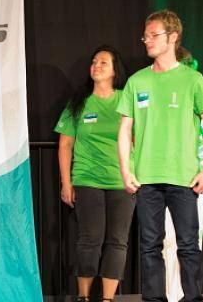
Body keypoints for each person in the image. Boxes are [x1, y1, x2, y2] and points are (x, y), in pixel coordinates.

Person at [117, 10, 203, 302]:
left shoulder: (193, 80)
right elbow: (125, 128)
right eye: (145, 36)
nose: (147, 41)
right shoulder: (137, 81)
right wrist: (125, 169)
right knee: (150, 246)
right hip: (146, 177)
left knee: (188, 245)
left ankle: (192, 298)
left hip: (184, 176)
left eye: (154, 35)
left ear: (173, 37)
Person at [56, 45, 133, 302]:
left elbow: (138, 138)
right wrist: (66, 183)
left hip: (122, 180)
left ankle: (108, 299)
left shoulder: (126, 99)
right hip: (87, 179)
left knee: (117, 241)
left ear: (114, 70)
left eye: (103, 62)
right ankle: (84, 297)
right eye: (94, 62)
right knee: (90, 239)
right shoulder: (79, 102)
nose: (96, 66)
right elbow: (65, 145)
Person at [163, 56, 203, 302]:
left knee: (190, 241)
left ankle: (186, 295)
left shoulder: (200, 103)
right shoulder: (163, 102)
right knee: (166, 240)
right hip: (164, 178)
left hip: (194, 180)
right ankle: (169, 294)